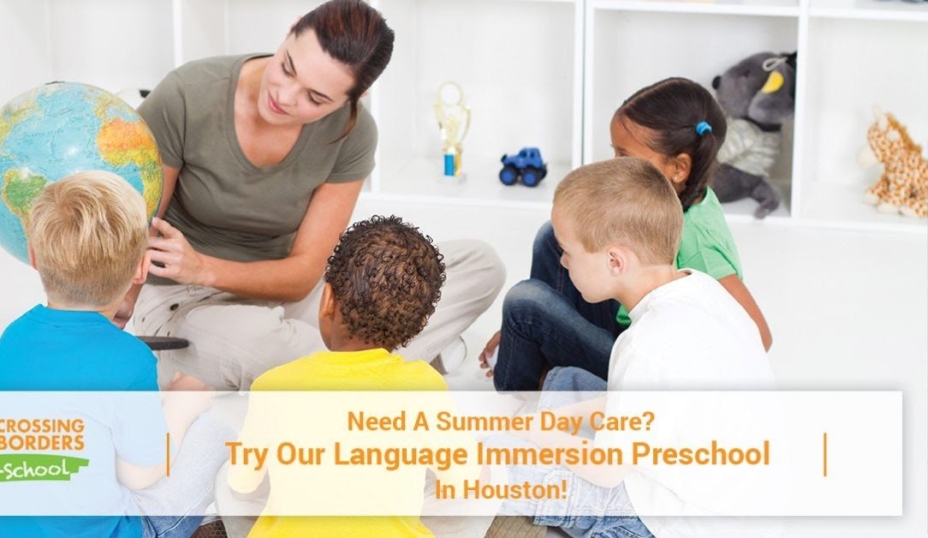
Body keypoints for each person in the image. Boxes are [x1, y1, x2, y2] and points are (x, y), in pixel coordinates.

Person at [126, 0, 504, 390]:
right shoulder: (187, 95)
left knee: (480, 264)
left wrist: (205, 266)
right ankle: (386, 367)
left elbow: (304, 274)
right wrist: (113, 314)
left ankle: (344, 373)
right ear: (290, 31)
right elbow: (133, 231)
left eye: (316, 98)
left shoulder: (353, 133)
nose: (286, 96)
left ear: (352, 99)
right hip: (186, 301)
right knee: (278, 349)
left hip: (286, 290)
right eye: (287, 67)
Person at [497, 158, 775, 538]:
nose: (561, 261)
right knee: (568, 380)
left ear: (614, 260)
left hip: (680, 516)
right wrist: (555, 423)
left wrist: (537, 434)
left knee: (499, 468)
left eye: (567, 252)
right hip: (733, 485)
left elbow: (607, 470)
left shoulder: (646, 346)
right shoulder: (701, 288)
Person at [0, 172, 231, 538]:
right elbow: (142, 475)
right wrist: (181, 406)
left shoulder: (11, 338)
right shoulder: (130, 358)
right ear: (140, 269)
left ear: (33, 256)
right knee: (213, 433)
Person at [483, 77, 772, 391]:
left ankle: (517, 399)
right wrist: (522, 335)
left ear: (679, 168)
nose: (616, 165)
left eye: (626, 156)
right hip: (627, 316)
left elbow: (759, 336)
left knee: (524, 303)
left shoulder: (696, 239)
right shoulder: (676, 197)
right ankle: (532, 344)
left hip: (638, 353)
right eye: (615, 153)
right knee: (554, 238)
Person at [224, 215, 480, 537]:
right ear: (417, 327)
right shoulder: (425, 389)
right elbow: (463, 482)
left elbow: (242, 486)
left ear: (327, 299)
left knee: (226, 477)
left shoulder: (273, 386)